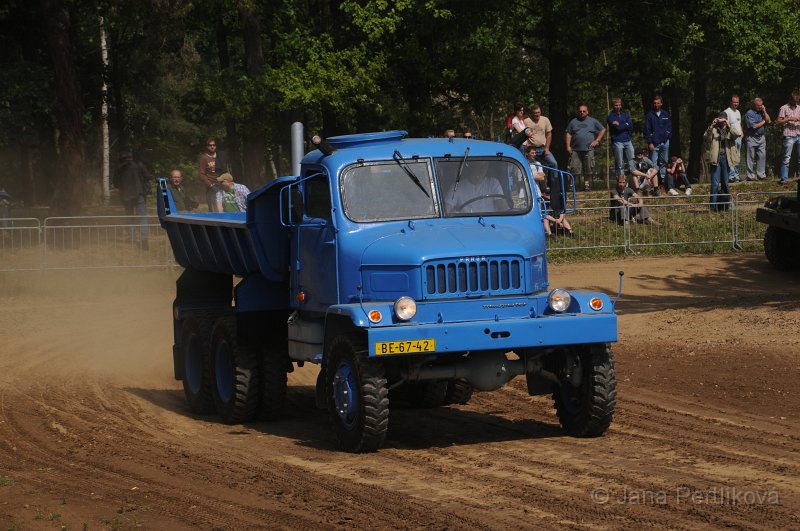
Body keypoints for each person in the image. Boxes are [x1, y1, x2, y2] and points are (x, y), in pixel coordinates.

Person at [113, 151, 152, 249]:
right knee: (143, 217)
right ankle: (144, 240)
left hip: (126, 196)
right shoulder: (138, 165)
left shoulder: (119, 168)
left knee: (130, 217)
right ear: (132, 157)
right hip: (139, 195)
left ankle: (132, 238)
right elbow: (148, 176)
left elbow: (115, 183)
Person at [565, 104, 606, 192]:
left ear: (587, 112)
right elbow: (568, 133)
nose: (582, 113)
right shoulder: (573, 121)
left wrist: (597, 140)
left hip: (589, 149)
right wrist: (568, 146)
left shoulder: (593, 121)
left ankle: (586, 185)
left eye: (584, 111)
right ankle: (572, 185)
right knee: (574, 168)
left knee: (588, 168)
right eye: (580, 111)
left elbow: (603, 129)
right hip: (575, 150)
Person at [705, 112, 740, 211]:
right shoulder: (714, 129)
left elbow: (737, 134)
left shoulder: (729, 129)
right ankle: (712, 207)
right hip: (716, 159)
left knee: (725, 182)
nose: (722, 121)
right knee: (715, 184)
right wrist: (711, 125)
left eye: (724, 119)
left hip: (726, 158)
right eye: (721, 119)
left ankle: (726, 206)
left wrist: (729, 125)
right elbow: (706, 138)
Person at [644, 95, 672, 183]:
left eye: (658, 103)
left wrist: (666, 137)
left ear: (661, 104)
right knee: (653, 163)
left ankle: (662, 181)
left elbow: (669, 127)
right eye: (655, 103)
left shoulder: (666, 114)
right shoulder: (649, 115)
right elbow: (647, 130)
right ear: (653, 104)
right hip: (654, 143)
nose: (656, 105)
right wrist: (650, 142)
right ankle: (653, 182)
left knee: (664, 161)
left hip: (665, 142)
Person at [743, 97, 771, 181]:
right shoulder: (749, 113)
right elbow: (754, 126)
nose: (760, 107)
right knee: (750, 157)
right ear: (754, 105)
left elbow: (769, 121)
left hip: (761, 137)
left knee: (762, 156)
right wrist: (764, 121)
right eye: (758, 105)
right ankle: (750, 176)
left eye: (761, 105)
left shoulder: (762, 112)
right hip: (751, 137)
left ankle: (761, 175)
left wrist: (764, 111)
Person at [776, 90, 800, 185]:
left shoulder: (799, 108)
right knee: (786, 158)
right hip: (789, 135)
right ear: (791, 99)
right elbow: (778, 122)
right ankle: (784, 179)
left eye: (797, 101)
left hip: (799, 134)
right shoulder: (784, 108)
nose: (795, 102)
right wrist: (789, 119)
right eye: (794, 100)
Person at [607, 98, 635, 178]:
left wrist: (621, 125)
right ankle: (621, 182)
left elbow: (631, 126)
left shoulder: (625, 114)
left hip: (627, 140)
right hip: (617, 141)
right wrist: (625, 124)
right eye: (616, 105)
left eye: (619, 105)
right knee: (620, 163)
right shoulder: (610, 117)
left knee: (632, 161)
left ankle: (634, 181)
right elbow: (617, 128)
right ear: (613, 106)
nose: (618, 106)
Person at [524, 105, 559, 171]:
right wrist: (527, 144)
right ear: (532, 113)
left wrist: (547, 148)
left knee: (554, 163)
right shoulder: (526, 121)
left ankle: (554, 181)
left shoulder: (545, 120)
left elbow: (549, 134)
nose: (537, 115)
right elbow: (523, 134)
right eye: (535, 113)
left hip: (543, 148)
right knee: (533, 167)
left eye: (538, 112)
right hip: (532, 149)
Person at [198, 137, 228, 211]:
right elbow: (201, 174)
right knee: (214, 210)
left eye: (214, 145)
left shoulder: (220, 156)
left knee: (225, 208)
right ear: (207, 146)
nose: (212, 146)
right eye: (210, 145)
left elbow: (226, 171)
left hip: (222, 186)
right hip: (211, 187)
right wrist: (210, 185)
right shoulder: (204, 158)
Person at [724, 95, 743, 182]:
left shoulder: (738, 112)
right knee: (732, 157)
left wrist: (742, 133)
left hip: (739, 137)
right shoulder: (727, 112)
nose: (736, 104)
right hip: (731, 138)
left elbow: (739, 124)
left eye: (737, 102)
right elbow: (726, 126)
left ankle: (736, 176)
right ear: (731, 102)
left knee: (737, 157)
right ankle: (731, 176)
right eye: (734, 102)